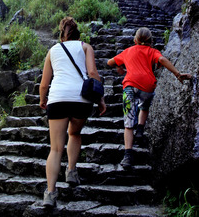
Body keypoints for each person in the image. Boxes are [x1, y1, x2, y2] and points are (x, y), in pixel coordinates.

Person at [39, 16, 106, 207]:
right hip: (80, 99)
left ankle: (50, 193)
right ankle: (71, 172)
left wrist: (43, 100)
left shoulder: (52, 50)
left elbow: (44, 83)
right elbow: (93, 74)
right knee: (75, 133)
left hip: (58, 99)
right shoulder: (85, 47)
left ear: (61, 35)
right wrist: (101, 100)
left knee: (55, 148)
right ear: (78, 33)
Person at [106, 27, 192, 169]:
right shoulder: (152, 51)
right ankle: (140, 129)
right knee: (144, 106)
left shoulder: (128, 51)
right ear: (151, 41)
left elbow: (110, 62)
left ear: (135, 40)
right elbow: (162, 59)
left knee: (128, 122)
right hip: (147, 87)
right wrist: (177, 74)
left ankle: (128, 155)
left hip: (129, 86)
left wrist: (118, 67)